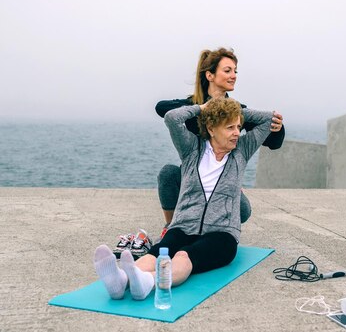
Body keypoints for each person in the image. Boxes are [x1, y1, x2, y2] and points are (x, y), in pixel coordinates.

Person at [93, 96, 275, 300]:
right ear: (212, 128)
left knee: (183, 256)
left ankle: (148, 282)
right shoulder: (191, 149)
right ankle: (121, 281)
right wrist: (203, 108)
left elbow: (269, 119)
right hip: (183, 226)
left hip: (221, 233)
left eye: (238, 127)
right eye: (229, 127)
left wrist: (235, 111)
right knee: (156, 253)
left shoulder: (242, 150)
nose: (236, 133)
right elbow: (172, 117)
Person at [155, 48, 284, 235]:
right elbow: (162, 108)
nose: (233, 76)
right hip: (193, 178)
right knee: (168, 174)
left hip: (223, 178)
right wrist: (202, 108)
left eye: (235, 71)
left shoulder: (237, 111)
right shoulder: (194, 105)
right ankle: (172, 227)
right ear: (210, 75)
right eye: (227, 70)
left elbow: (274, 142)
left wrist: (277, 126)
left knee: (243, 210)